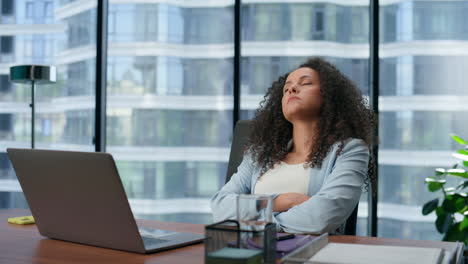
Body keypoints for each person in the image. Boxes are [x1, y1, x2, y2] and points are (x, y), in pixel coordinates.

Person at [211, 57, 376, 234]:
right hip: (251, 252)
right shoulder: (259, 153)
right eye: (286, 88)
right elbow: (220, 206)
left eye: (305, 83)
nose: (291, 88)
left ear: (328, 96)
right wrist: (281, 201)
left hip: (311, 254)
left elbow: (319, 218)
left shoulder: (350, 150)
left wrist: (250, 220)